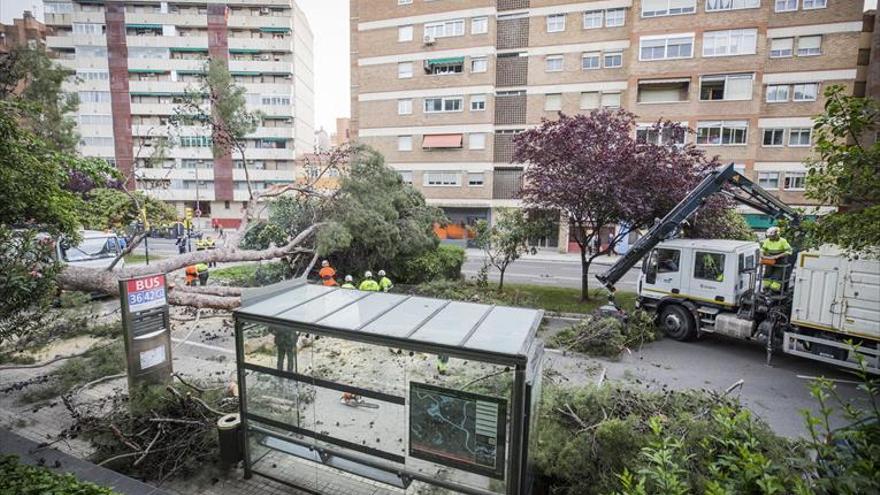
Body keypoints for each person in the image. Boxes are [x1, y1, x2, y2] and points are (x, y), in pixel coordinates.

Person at [761, 226, 792, 292]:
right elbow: (762, 250)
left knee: (776, 278)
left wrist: (777, 256)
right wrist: (762, 255)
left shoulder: (783, 241)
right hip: (770, 261)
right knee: (767, 275)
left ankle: (774, 291)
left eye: (772, 237)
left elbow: (789, 251)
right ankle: (766, 289)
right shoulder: (767, 241)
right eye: (769, 237)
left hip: (780, 262)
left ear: (777, 235)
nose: (770, 238)